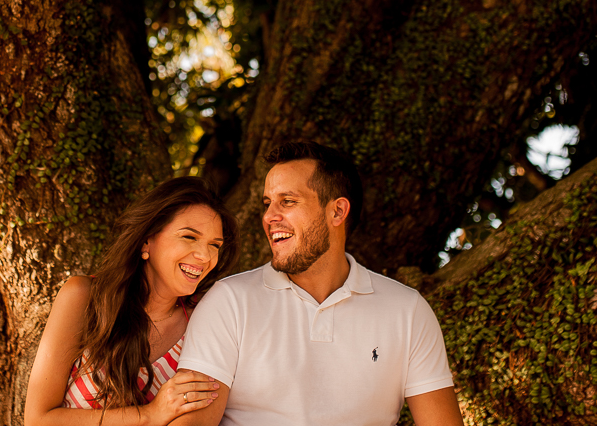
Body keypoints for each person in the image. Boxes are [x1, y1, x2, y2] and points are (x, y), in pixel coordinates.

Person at [175, 140, 464, 426]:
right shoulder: (228, 302)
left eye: (287, 201)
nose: (268, 217)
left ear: (337, 211)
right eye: (268, 203)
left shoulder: (408, 311)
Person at [25, 176, 240, 426]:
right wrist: (149, 414)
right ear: (147, 240)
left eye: (215, 245)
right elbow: (38, 420)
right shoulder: (84, 298)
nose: (205, 256)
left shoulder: (203, 321)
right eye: (189, 237)